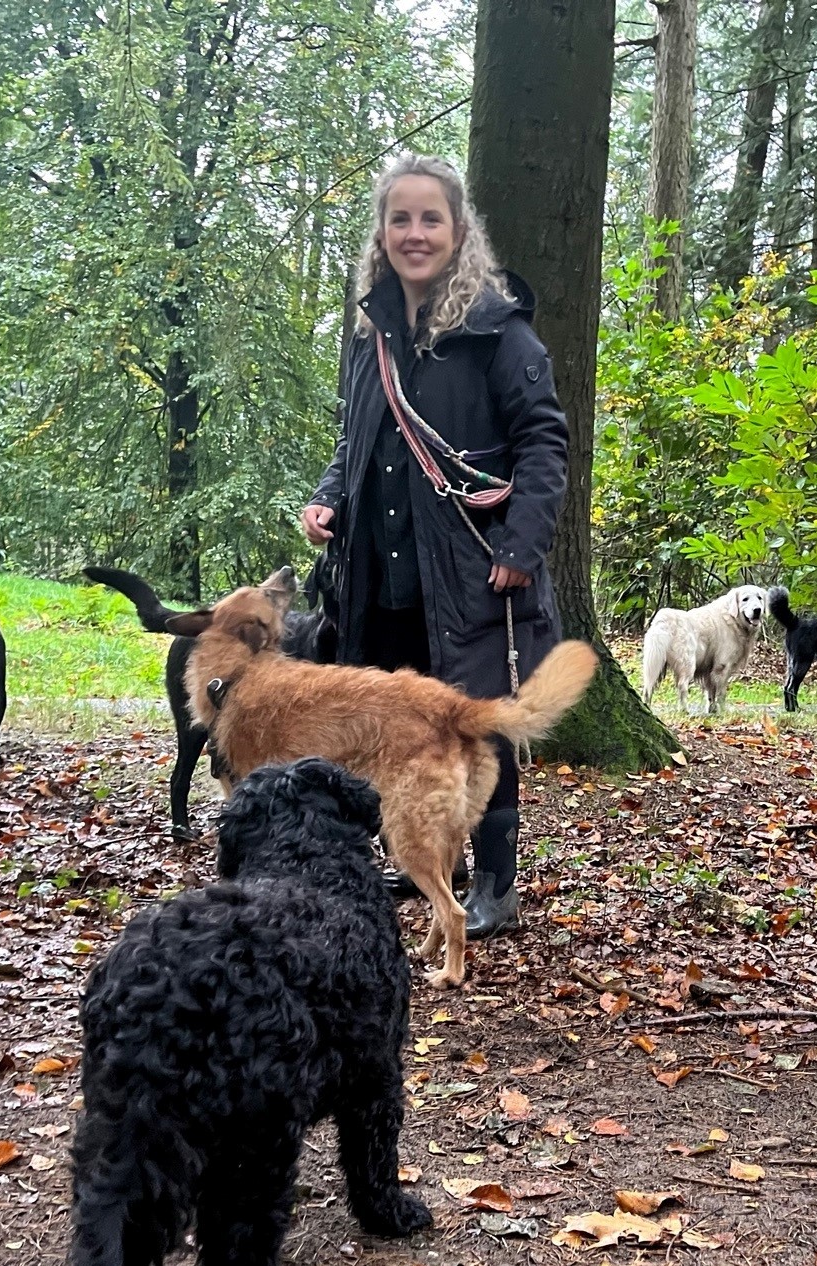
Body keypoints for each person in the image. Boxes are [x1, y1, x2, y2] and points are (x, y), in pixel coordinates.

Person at [299, 155, 568, 940]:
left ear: (459, 232)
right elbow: (354, 445)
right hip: (375, 582)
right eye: (400, 219)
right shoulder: (367, 334)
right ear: (381, 234)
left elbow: (545, 445)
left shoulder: (499, 332)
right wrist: (325, 500)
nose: (415, 234)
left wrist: (520, 544)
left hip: (471, 575)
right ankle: (425, 862)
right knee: (388, 733)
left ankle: (495, 883)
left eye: (431, 219)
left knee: (473, 728)